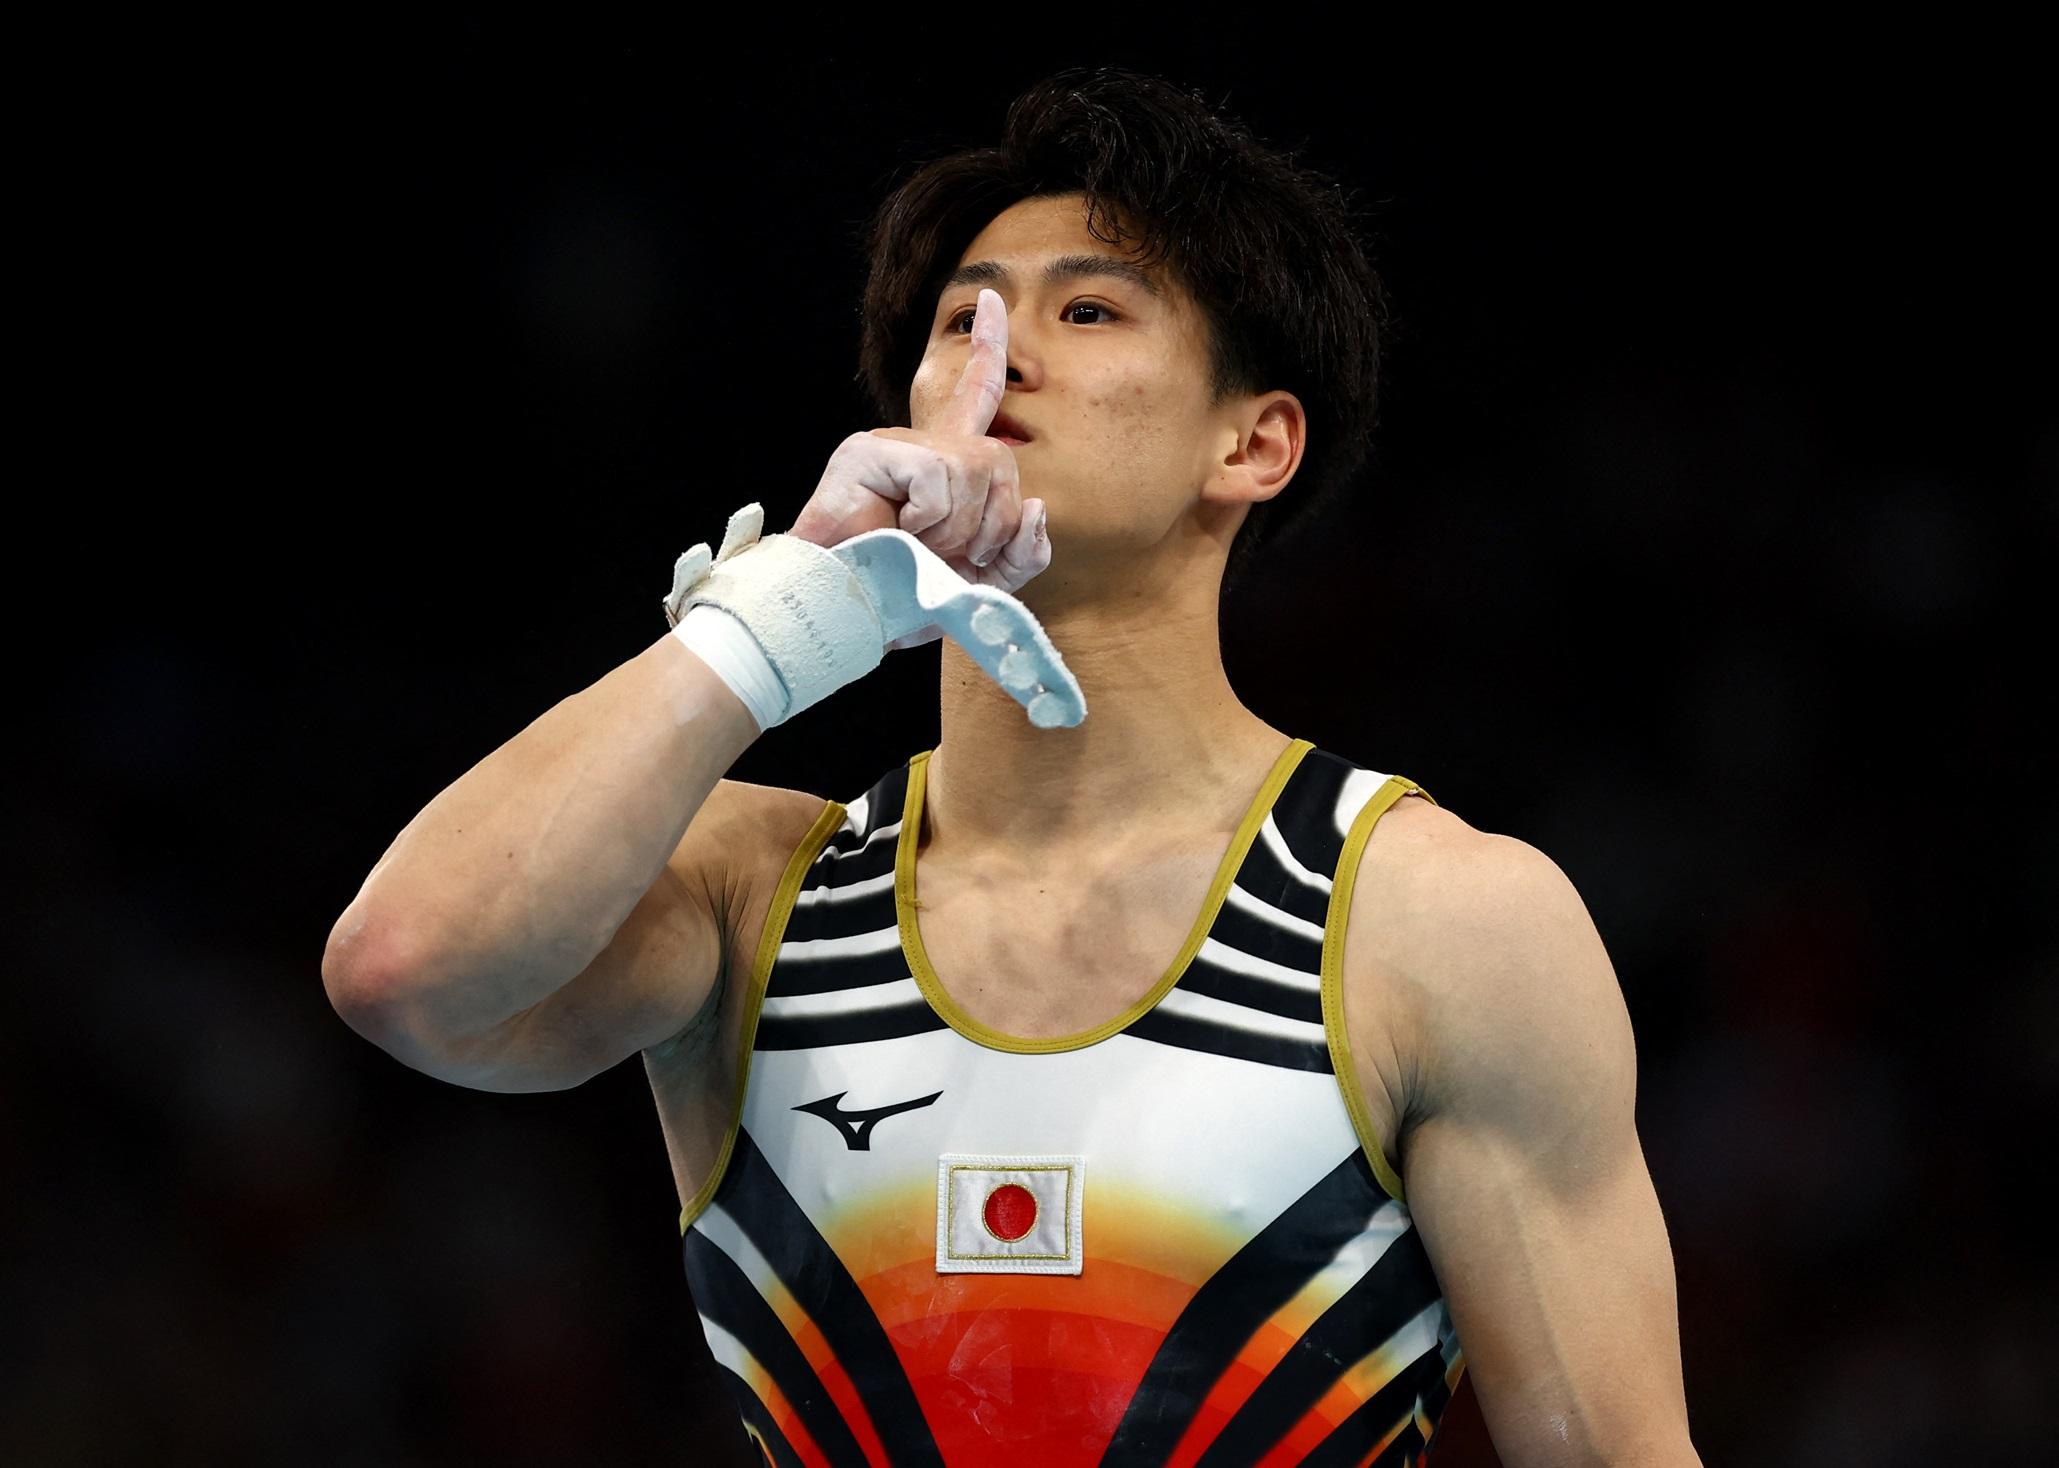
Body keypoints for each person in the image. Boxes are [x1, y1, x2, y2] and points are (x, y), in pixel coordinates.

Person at [323, 66, 1701, 1467]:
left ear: (1253, 443)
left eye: (1087, 311)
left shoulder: (1439, 925)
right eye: (961, 322)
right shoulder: (753, 896)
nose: (1003, 359)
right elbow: (406, 974)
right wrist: (781, 609)